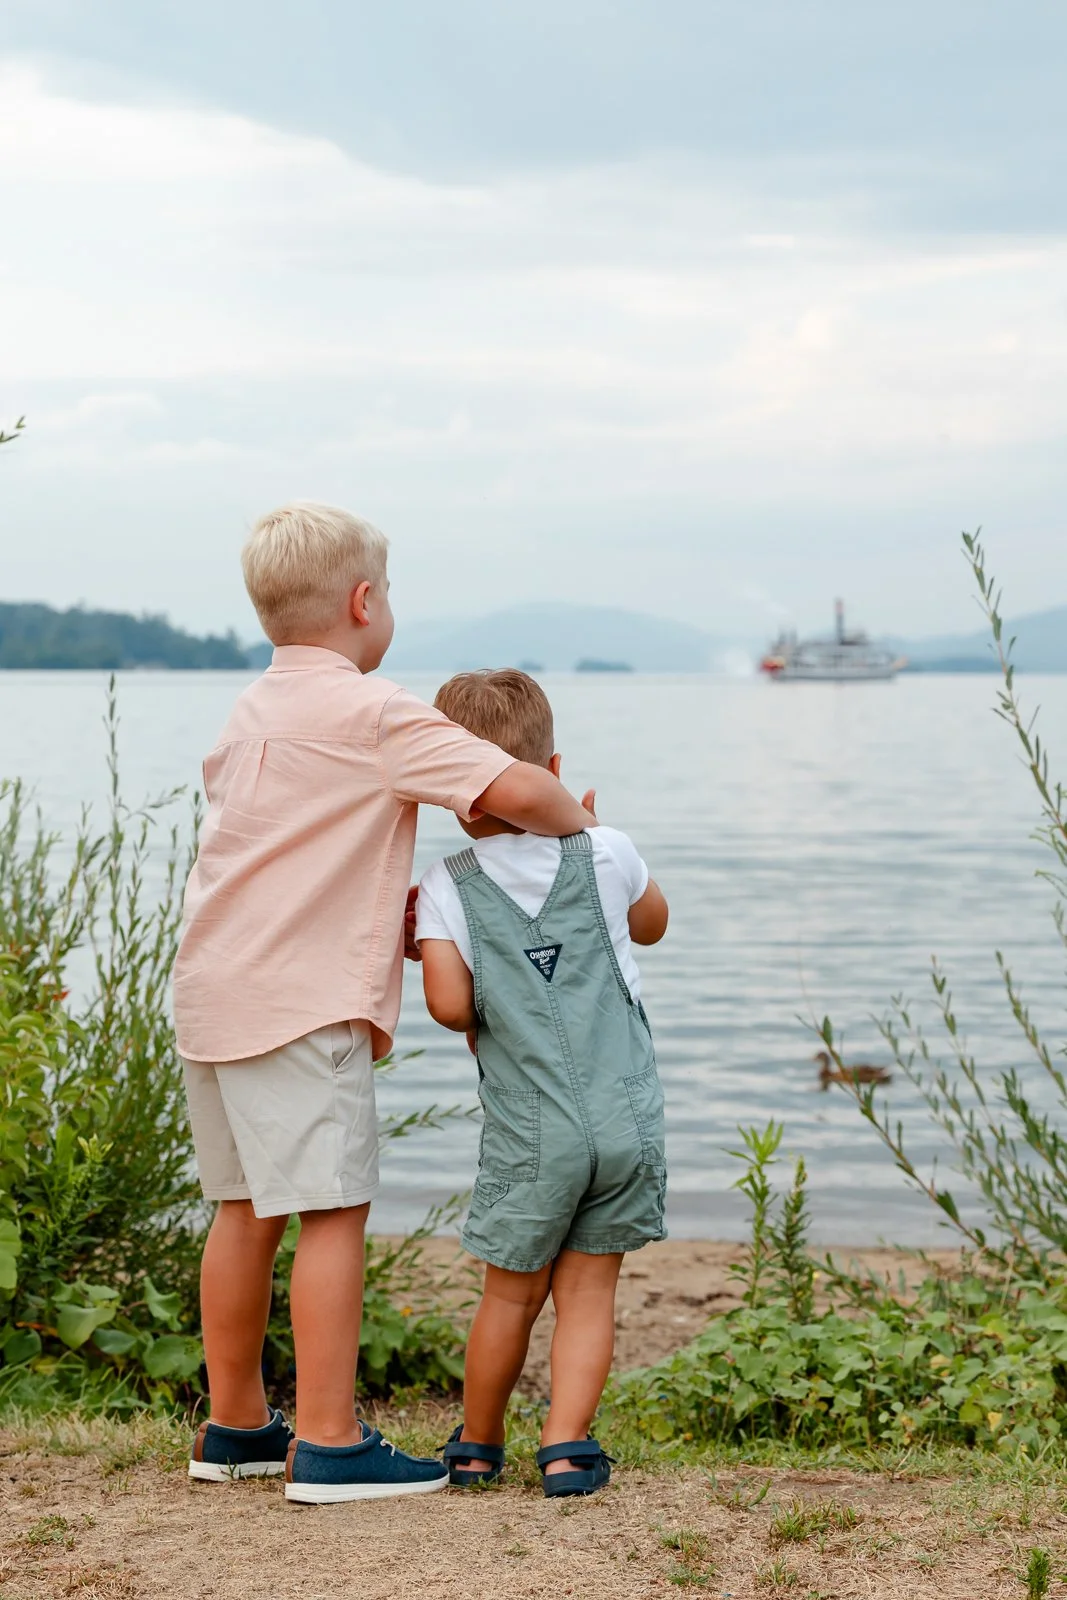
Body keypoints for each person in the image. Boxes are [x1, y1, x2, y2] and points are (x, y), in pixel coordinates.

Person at [173, 505, 597, 1504]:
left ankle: (235, 1422)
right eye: (389, 591)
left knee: (241, 1209)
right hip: (300, 997)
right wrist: (582, 820)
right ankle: (326, 1437)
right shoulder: (377, 713)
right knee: (330, 1208)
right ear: (365, 603)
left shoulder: (248, 711)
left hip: (212, 987)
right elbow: (512, 790)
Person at [415, 669, 668, 1499]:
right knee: (589, 1292)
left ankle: (479, 1443)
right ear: (552, 768)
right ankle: (565, 1448)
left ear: (454, 792)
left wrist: (423, 946)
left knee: (509, 1297)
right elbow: (652, 925)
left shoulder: (449, 884)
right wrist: (593, 827)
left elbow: (451, 1009)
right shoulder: (605, 849)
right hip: (624, 1115)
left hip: (531, 1131)